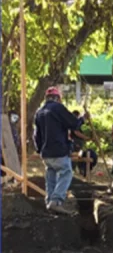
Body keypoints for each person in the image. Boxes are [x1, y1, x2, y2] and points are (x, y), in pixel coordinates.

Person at [33, 86, 80, 214]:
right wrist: (82, 119)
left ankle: (49, 202)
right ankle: (56, 200)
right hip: (58, 150)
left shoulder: (39, 111)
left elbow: (36, 135)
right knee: (66, 172)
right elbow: (74, 124)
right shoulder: (58, 108)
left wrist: (39, 149)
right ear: (58, 98)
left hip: (46, 153)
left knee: (51, 175)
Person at [70, 110, 97, 177]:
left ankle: (80, 170)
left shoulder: (83, 123)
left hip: (79, 141)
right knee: (75, 156)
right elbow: (76, 132)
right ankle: (71, 172)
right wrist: (85, 137)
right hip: (76, 142)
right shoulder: (80, 121)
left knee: (79, 156)